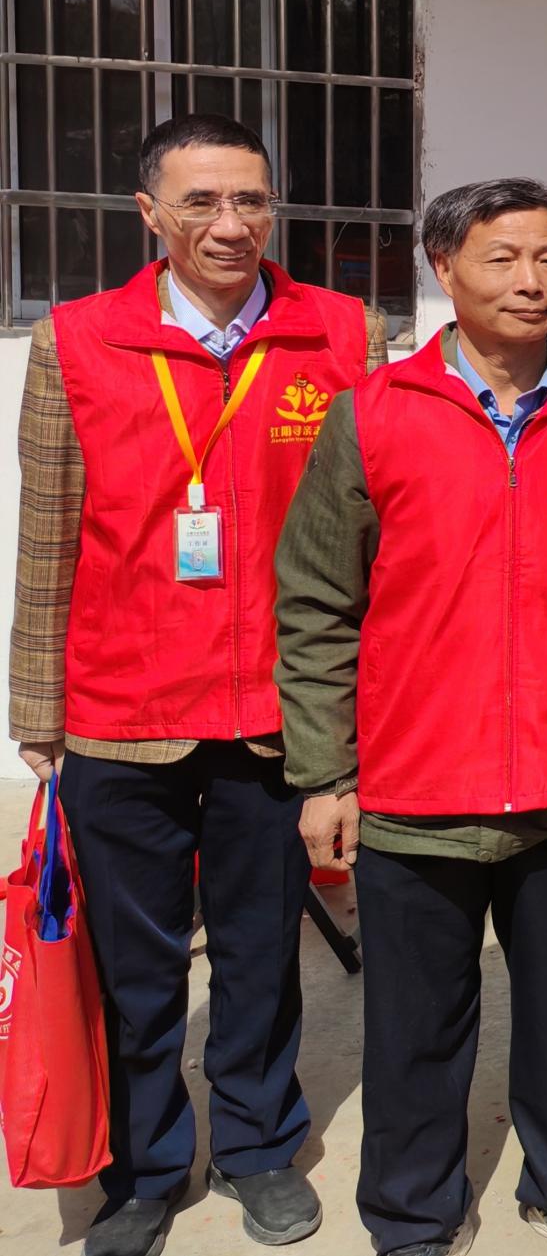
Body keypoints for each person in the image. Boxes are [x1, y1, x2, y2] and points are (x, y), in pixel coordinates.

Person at [276, 178, 547, 1256]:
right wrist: (325, 773)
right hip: (414, 785)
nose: (532, 281)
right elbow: (316, 604)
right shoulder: (375, 412)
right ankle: (413, 1209)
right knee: (415, 1023)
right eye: (502, 257)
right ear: (443, 267)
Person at [5, 112, 382, 1256]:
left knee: (264, 951)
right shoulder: (76, 339)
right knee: (137, 964)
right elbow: (49, 534)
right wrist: (37, 709)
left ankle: (260, 1145)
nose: (230, 223)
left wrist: (355, 714)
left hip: (279, 708)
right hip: (123, 705)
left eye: (251, 200)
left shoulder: (339, 333)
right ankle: (144, 1166)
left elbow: (370, 536)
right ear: (150, 214)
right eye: (202, 202)